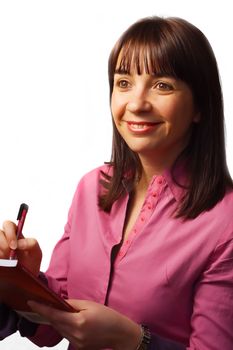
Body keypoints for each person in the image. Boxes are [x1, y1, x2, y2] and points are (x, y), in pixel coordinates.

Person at [0, 15, 233, 350]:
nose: (136, 104)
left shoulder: (225, 222)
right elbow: (52, 330)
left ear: (199, 106)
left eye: (162, 85)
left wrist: (134, 340)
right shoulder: (91, 188)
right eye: (123, 83)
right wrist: (22, 279)